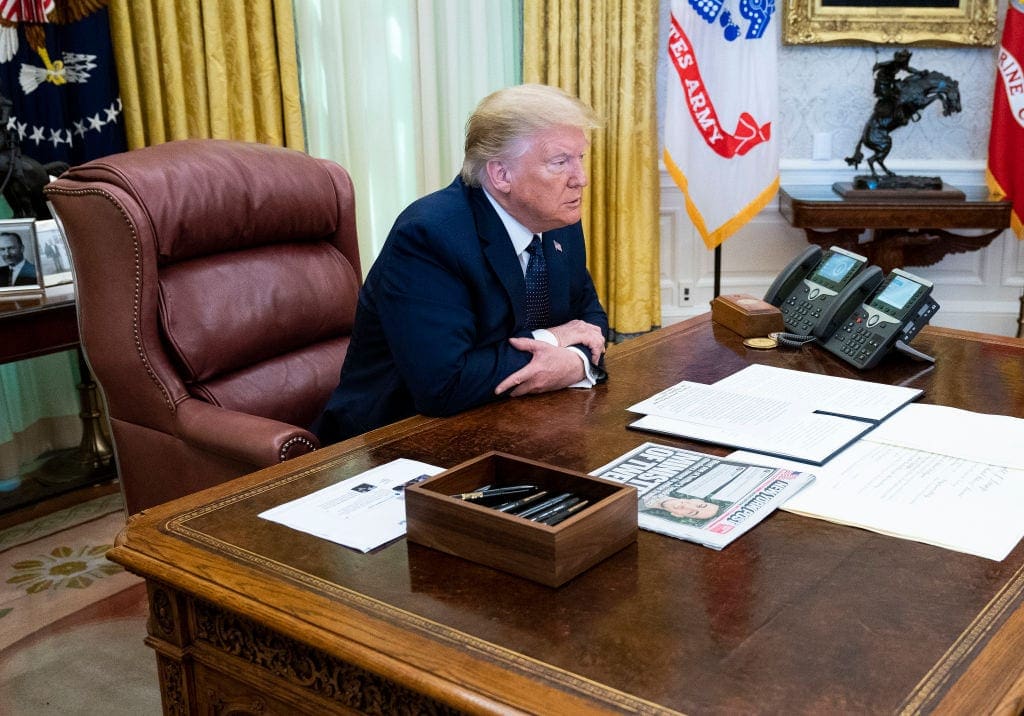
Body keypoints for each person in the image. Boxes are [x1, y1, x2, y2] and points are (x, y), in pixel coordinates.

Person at [313, 84, 609, 445]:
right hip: (393, 442)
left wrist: (574, 363)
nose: (581, 178)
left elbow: (591, 322)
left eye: (580, 158)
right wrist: (554, 339)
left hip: (512, 423)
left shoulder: (557, 222)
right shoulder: (430, 236)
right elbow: (444, 385)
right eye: (560, 162)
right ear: (501, 175)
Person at [642, 494, 721, 522]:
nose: (686, 506)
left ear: (677, 515)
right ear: (697, 500)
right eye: (700, 505)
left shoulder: (638, 510)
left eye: (691, 512)